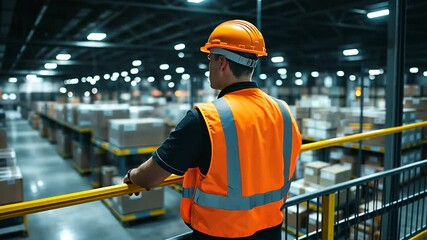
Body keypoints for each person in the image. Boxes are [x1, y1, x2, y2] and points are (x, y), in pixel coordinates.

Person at [123, 19, 302, 239]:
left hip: (221, 233)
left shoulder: (206, 118)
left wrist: (133, 177)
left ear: (222, 62)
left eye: (210, 59)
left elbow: (150, 176)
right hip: (271, 230)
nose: (209, 68)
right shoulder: (283, 112)